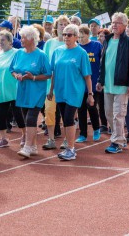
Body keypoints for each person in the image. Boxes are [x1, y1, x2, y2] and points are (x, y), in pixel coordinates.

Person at [48, 24, 93, 160]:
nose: (66, 37)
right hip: (60, 90)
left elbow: (87, 76)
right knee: (64, 118)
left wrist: (90, 94)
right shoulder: (57, 51)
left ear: (76, 37)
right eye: (64, 34)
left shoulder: (81, 53)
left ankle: (71, 149)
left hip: (74, 91)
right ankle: (69, 146)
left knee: (68, 118)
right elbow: (53, 72)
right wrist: (51, 90)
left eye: (69, 35)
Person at [96, 12, 129, 154]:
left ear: (125, 26)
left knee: (118, 115)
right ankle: (119, 137)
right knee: (108, 114)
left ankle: (117, 142)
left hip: (122, 85)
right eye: (113, 22)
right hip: (107, 84)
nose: (114, 25)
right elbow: (103, 62)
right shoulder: (107, 40)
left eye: (118, 22)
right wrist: (100, 80)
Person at [10, 25, 51, 158]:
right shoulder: (18, 53)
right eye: (21, 37)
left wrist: (33, 77)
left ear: (32, 39)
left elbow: (48, 74)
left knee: (31, 118)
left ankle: (27, 147)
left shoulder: (41, 55)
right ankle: (33, 146)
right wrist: (17, 75)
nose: (20, 40)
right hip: (22, 91)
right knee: (26, 116)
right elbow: (12, 69)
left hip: (36, 92)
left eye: (23, 37)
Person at [42, 15, 70, 150]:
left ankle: (66, 139)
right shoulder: (49, 43)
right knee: (49, 111)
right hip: (50, 84)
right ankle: (51, 138)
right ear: (56, 27)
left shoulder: (70, 43)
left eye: (65, 24)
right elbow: (46, 63)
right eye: (61, 24)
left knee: (66, 113)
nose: (63, 26)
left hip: (66, 84)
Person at [0, 31, 26, 148]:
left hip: (14, 89)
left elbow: (22, 66)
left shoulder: (17, 53)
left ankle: (24, 135)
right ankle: (3, 138)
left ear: (10, 41)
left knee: (18, 114)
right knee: (1, 115)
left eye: (3, 40)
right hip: (1, 90)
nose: (0, 42)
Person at [76, 26, 101, 143]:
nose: (80, 38)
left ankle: (96, 129)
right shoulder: (77, 48)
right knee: (81, 109)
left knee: (91, 106)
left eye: (83, 36)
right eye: (79, 36)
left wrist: (102, 80)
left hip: (94, 82)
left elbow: (102, 63)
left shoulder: (96, 45)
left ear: (88, 34)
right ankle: (83, 134)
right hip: (80, 84)